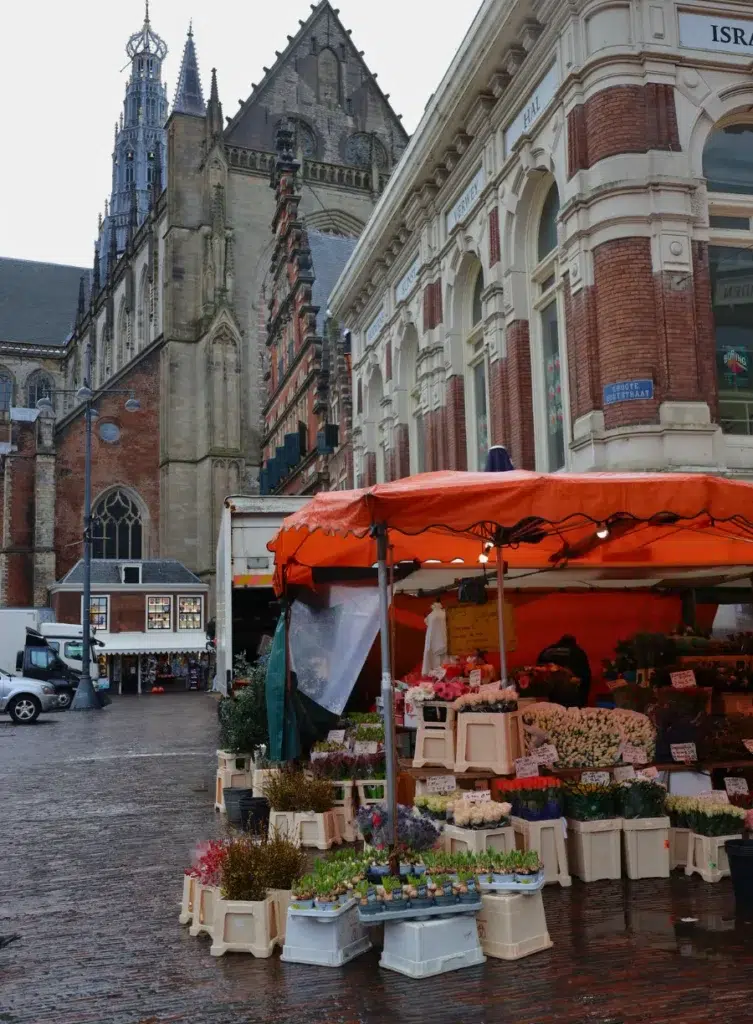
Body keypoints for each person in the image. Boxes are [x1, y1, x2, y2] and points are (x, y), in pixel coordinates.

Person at [536, 634, 592, 707]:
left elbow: (539, 666)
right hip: (571, 693)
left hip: (551, 693)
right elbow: (585, 675)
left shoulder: (549, 650)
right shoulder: (578, 652)